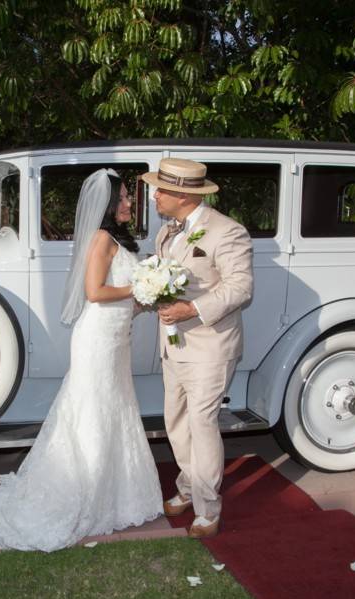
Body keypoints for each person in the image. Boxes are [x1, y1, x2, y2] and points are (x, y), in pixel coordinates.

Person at [0, 169, 163, 551]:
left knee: (114, 408)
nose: (128, 203)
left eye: (127, 197)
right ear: (106, 204)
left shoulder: (117, 241)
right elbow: (95, 291)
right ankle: (80, 490)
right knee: (93, 411)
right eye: (122, 198)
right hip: (97, 339)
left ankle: (115, 493)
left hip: (115, 336)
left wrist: (143, 300)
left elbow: (119, 297)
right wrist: (138, 285)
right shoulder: (102, 239)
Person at [142, 158, 253, 539]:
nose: (154, 194)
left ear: (182, 195)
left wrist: (192, 309)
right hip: (173, 346)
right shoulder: (167, 232)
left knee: (202, 424)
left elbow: (240, 286)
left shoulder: (227, 231)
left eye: (160, 189)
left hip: (211, 347)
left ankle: (208, 509)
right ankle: (188, 487)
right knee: (175, 421)